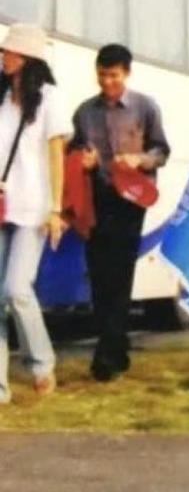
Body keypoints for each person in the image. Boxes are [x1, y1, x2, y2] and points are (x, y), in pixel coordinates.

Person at [69, 44, 170, 382]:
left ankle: (106, 357)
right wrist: (83, 161)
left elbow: (162, 151)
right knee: (99, 274)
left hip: (131, 198)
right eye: (102, 74)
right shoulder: (84, 112)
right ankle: (117, 345)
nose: (107, 81)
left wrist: (138, 160)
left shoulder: (144, 107)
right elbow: (73, 152)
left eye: (113, 75)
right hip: (97, 197)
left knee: (120, 271)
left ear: (126, 73)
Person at [0, 24, 69, 401]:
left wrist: (56, 208)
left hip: (33, 208)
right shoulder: (0, 99)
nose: (3, 56)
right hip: (1, 207)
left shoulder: (48, 99)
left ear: (27, 59)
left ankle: (42, 364)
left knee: (16, 289)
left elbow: (56, 155)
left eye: (9, 52)